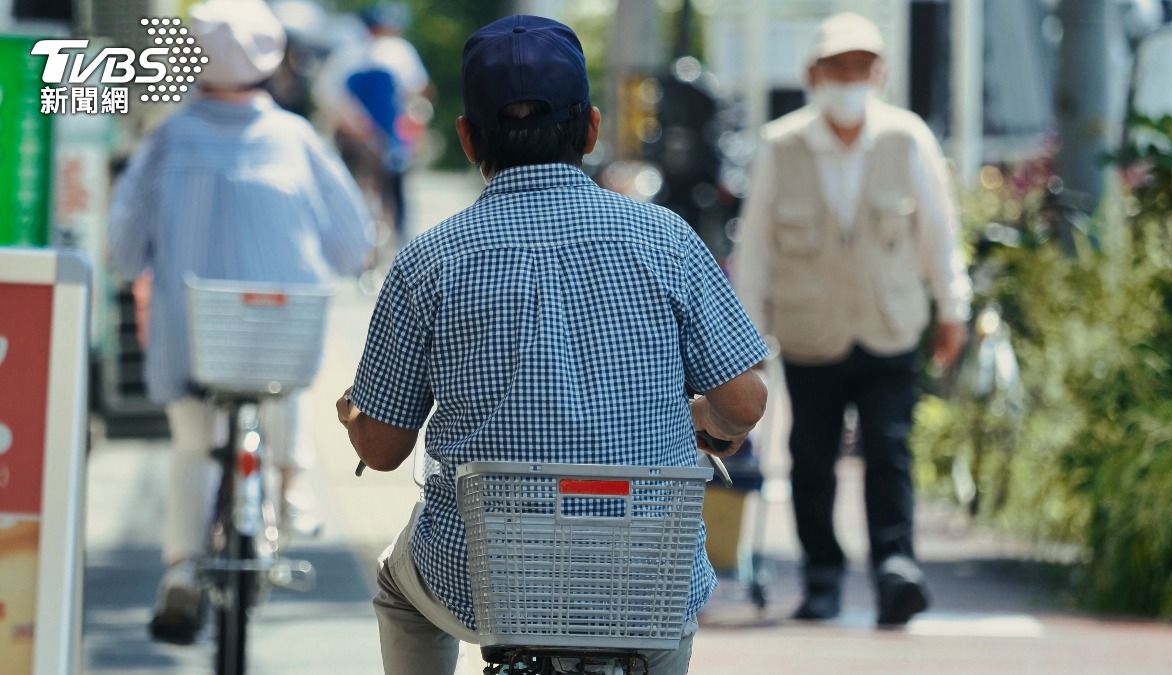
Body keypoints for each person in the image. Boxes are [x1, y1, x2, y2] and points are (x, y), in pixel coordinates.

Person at [335, 15, 768, 675]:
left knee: (399, 591)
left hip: (481, 583)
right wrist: (708, 417)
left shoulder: (429, 261)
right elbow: (745, 400)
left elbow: (384, 449)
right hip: (643, 586)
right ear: (591, 128)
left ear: (468, 135)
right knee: (665, 614)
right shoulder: (667, 238)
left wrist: (352, 414)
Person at [107, 0, 372, 644]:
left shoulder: (167, 138)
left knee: (194, 446)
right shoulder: (297, 138)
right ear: (272, 58)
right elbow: (352, 245)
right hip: (283, 339)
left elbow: (121, 249)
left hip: (192, 338)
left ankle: (179, 568)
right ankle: (290, 485)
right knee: (282, 380)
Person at [730, 12, 971, 627]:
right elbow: (754, 250)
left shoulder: (907, 137)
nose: (850, 79)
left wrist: (953, 308)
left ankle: (896, 569)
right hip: (811, 331)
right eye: (838, 68)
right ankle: (822, 580)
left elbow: (938, 232)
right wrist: (746, 337)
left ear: (879, 73)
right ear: (814, 74)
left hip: (889, 324)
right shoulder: (780, 145)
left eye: (861, 67)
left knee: (889, 450)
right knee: (810, 458)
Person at [315, 2, 433, 246]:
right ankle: (393, 242)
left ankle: (364, 241)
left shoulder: (349, 53)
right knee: (384, 190)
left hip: (365, 136)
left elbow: (326, 94)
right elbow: (418, 91)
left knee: (365, 190)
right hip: (374, 137)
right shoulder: (396, 51)